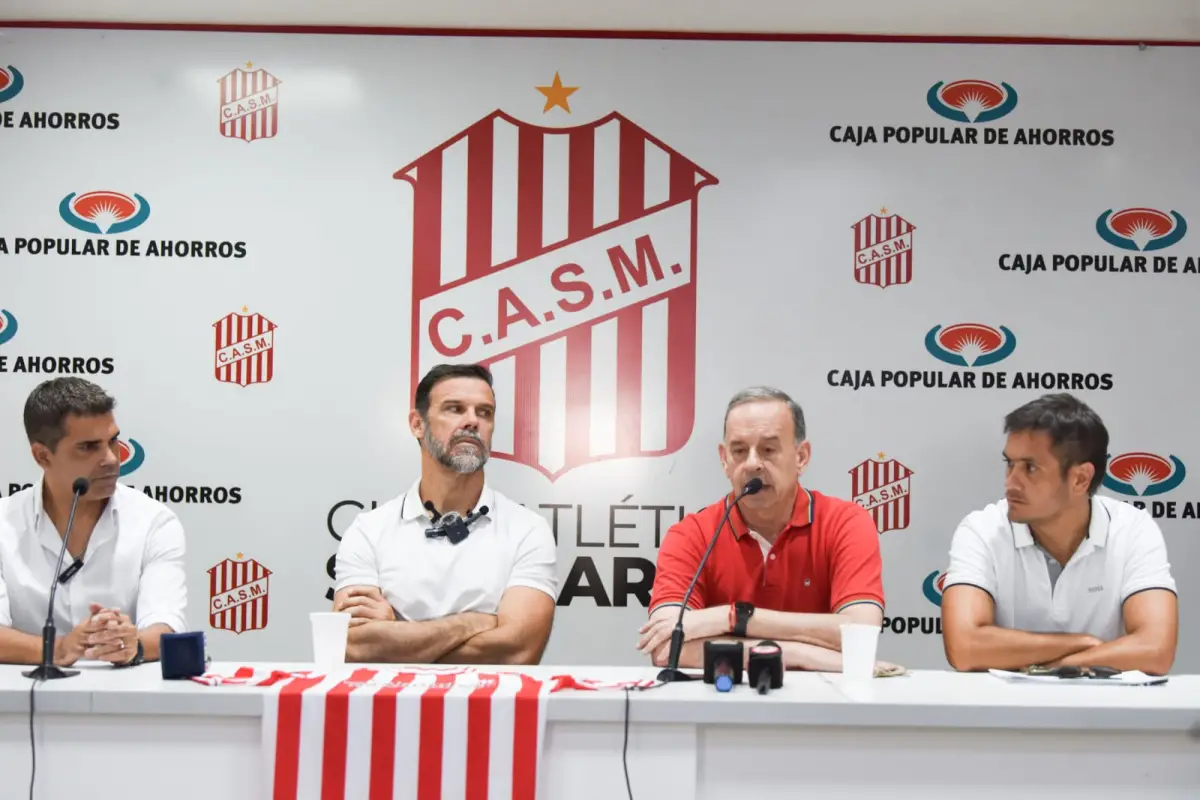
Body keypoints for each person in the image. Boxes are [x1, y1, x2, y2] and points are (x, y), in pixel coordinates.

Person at [638, 386, 896, 672]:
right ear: (724, 459)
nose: (752, 463)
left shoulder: (845, 522)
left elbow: (860, 632)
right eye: (739, 451)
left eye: (768, 449)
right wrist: (796, 654)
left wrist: (734, 618)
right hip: (723, 708)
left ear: (801, 457)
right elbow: (666, 647)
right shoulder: (691, 535)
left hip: (823, 707)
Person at [332, 363, 558, 665]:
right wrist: (475, 623)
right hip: (391, 710)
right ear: (417, 424)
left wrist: (396, 634)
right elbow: (355, 646)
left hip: (490, 711)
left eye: (484, 412)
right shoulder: (368, 531)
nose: (472, 422)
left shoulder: (527, 530)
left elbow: (517, 651)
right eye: (454, 409)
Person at [941, 393, 1178, 675]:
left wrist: (1061, 665)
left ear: (1080, 479)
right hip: (1005, 714)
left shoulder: (1133, 529)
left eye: (1030, 468)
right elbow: (964, 647)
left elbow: (1155, 650)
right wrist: (1084, 643)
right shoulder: (982, 529)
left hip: (1105, 714)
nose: (1010, 482)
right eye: (1009, 464)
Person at [0, 378, 187, 667]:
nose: (111, 459)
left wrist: (133, 644)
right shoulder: (3, 523)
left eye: (113, 440)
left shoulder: (154, 522)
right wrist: (60, 649)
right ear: (42, 456)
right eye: (88, 447)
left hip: (123, 705)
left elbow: (166, 625)